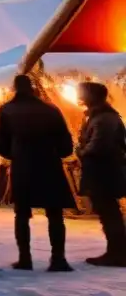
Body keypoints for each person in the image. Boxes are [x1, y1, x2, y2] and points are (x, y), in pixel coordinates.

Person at [0, 75, 75, 272]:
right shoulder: (51, 109)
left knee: (22, 214)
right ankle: (58, 259)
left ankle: (25, 259)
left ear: (14, 89)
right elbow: (66, 146)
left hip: (23, 166)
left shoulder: (7, 110)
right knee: (55, 213)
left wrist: (15, 153)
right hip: (49, 164)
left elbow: (1, 145)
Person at [76, 81, 126, 267]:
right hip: (103, 172)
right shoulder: (100, 116)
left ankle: (118, 253)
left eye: (83, 93)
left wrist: (80, 151)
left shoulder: (104, 118)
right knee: (108, 212)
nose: (79, 97)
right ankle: (117, 251)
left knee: (109, 212)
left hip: (105, 173)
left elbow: (98, 146)